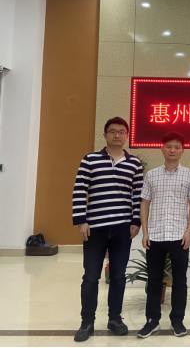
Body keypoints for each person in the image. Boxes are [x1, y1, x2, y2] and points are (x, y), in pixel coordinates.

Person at [72, 117, 144, 343]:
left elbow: (138, 195)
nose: (117, 135)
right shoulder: (90, 160)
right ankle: (87, 321)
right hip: (95, 227)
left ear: (127, 136)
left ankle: (115, 319)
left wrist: (136, 221)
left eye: (121, 132)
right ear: (104, 135)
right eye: (112, 131)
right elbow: (79, 190)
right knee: (91, 276)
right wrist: (81, 220)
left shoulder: (134, 164)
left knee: (118, 276)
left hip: (123, 228)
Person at [137, 132, 190, 339]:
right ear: (162, 148)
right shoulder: (151, 175)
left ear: (182, 150)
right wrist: (145, 232)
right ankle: (152, 320)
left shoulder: (189, 174)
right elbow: (144, 204)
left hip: (179, 236)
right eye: (169, 146)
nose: (172, 150)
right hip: (155, 235)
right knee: (154, 280)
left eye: (177, 147)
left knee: (180, 281)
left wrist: (189, 231)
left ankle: (177, 320)